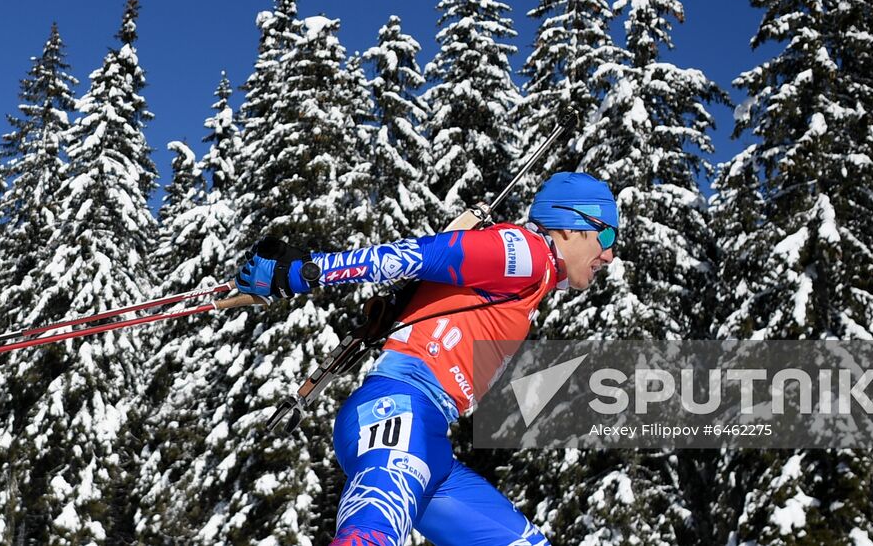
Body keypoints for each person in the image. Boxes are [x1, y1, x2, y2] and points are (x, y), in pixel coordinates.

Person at [235, 171, 619, 546]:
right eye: (606, 234)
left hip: (431, 442)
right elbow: (422, 254)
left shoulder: (537, 278)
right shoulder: (527, 253)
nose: (610, 253)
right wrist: (307, 272)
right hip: (399, 411)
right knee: (369, 538)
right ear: (569, 225)